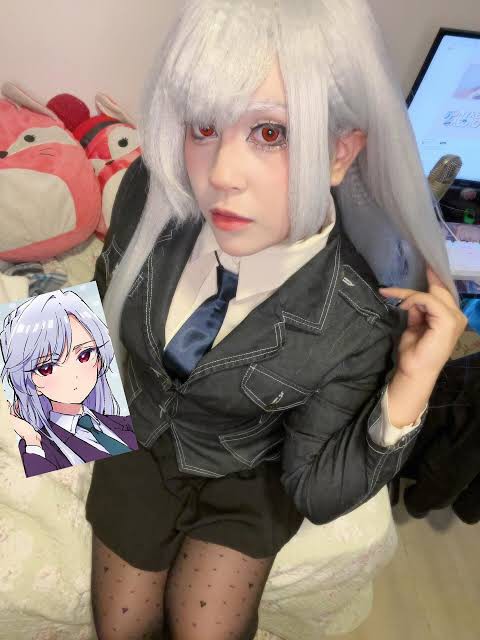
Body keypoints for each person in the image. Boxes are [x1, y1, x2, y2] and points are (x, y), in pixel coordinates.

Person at [85, 1, 468, 638]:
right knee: (120, 629)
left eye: (271, 133)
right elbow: (107, 285)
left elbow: (317, 491)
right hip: (141, 441)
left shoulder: (353, 320)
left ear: (340, 152)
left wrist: (411, 384)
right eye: (204, 126)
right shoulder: (151, 191)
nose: (220, 176)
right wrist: (53, 421)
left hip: (247, 471)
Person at [0, 290, 137, 477]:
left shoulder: (123, 422)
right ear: (30, 382)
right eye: (47, 368)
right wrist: (31, 439)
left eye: (84, 355)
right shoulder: (40, 448)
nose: (74, 376)